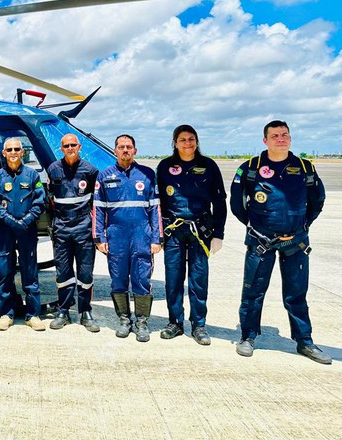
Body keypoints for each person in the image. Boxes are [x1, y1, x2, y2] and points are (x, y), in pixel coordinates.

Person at [231, 120, 330, 364]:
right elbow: (236, 204)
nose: (281, 139)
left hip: (296, 242)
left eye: (285, 135)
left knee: (296, 294)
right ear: (265, 140)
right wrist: (256, 227)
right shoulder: (250, 168)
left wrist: (303, 226)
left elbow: (318, 200)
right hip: (260, 241)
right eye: (275, 135)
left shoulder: (305, 167)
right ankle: (248, 336)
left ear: (290, 138)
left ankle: (304, 341)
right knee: (253, 292)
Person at [156, 125, 226, 345]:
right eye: (183, 139)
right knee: (173, 279)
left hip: (200, 231)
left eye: (191, 139)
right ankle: (175, 323)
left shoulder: (209, 166)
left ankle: (199, 325)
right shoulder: (165, 166)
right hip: (174, 232)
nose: (188, 143)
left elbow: (220, 202)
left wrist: (218, 233)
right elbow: (157, 202)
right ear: (175, 143)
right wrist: (158, 233)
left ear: (197, 141)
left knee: (198, 279)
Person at [94, 134, 162, 342]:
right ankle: (124, 320)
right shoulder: (104, 176)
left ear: (135, 151)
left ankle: (142, 322)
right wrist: (99, 237)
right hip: (116, 237)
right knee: (118, 280)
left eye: (129, 147)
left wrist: (156, 238)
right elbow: (97, 210)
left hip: (142, 235)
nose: (125, 150)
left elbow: (155, 209)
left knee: (142, 279)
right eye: (121, 147)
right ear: (114, 151)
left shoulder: (147, 174)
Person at [0, 137, 46, 332]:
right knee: (5, 273)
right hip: (6, 231)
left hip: (27, 231)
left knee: (30, 273)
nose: (13, 152)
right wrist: (11, 221)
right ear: (4, 153)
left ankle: (33, 315)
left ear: (23, 152)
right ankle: (7, 313)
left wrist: (26, 221)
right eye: (9, 149)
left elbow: (40, 202)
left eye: (17, 149)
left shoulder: (32, 176)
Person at [46, 133, 100, 332]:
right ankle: (64, 311)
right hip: (62, 229)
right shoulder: (53, 169)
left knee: (85, 273)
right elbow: (50, 199)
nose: (70, 148)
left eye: (73, 145)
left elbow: (97, 201)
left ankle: (85, 311)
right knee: (63, 273)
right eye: (66, 145)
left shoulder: (90, 170)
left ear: (79, 147)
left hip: (83, 229)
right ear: (61, 148)